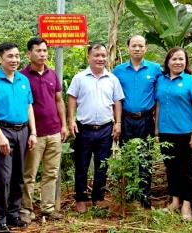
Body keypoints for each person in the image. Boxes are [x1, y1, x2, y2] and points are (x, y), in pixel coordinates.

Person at [0, 42, 37, 233]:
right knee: (4, 177)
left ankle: (14, 215)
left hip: (23, 131)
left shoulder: (23, 80)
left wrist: (33, 132)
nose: (15, 60)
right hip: (3, 131)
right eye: (10, 56)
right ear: (0, 59)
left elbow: (29, 107)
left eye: (17, 56)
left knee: (19, 176)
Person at [67, 42, 124, 213]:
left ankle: (98, 198)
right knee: (82, 165)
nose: (100, 59)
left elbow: (117, 102)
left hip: (106, 129)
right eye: (96, 55)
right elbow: (71, 98)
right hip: (84, 128)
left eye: (103, 55)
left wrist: (118, 123)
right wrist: (71, 120)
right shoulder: (79, 78)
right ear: (89, 57)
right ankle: (81, 199)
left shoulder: (112, 79)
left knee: (102, 165)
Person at [19, 38, 67, 223]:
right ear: (29, 53)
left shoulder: (52, 74)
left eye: (45, 50)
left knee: (51, 172)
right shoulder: (22, 76)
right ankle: (26, 209)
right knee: (29, 174)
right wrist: (30, 131)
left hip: (54, 131)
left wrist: (63, 124)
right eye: (38, 50)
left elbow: (58, 100)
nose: (42, 54)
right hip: (34, 134)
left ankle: (48, 208)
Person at [113, 35, 162, 208]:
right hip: (125, 118)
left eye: (141, 46)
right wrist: (116, 122)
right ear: (128, 48)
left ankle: (144, 196)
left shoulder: (155, 69)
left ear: (146, 48)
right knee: (127, 156)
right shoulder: (118, 70)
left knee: (145, 157)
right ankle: (129, 193)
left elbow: (160, 97)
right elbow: (115, 98)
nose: (137, 49)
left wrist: (157, 124)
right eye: (134, 45)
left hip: (146, 119)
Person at [155, 47, 192, 220]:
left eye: (181, 59)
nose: (178, 62)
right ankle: (175, 201)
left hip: (185, 132)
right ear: (168, 62)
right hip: (165, 133)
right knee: (171, 168)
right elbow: (159, 105)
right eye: (174, 59)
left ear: (186, 62)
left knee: (187, 170)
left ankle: (187, 205)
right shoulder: (161, 80)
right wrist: (156, 129)